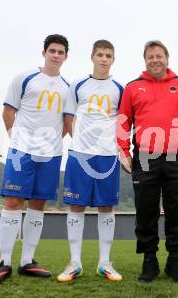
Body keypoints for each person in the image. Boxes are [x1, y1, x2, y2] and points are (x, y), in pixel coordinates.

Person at [0, 34, 70, 284]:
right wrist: (16, 140)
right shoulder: (24, 78)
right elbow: (8, 112)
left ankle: (27, 262)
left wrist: (53, 141)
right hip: (21, 152)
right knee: (13, 201)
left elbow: (66, 122)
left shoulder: (67, 86)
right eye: (52, 50)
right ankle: (4, 263)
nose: (56, 55)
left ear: (66, 56)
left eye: (60, 52)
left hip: (51, 155)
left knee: (38, 204)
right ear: (43, 52)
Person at [117, 40, 178, 282]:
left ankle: (175, 260)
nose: (155, 60)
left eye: (159, 56)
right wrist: (124, 151)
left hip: (176, 157)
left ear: (167, 58)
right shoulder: (133, 87)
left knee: (177, 211)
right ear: (145, 60)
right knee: (146, 211)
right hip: (144, 157)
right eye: (150, 56)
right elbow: (123, 123)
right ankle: (149, 260)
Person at [57, 40, 123, 282]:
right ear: (92, 57)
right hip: (80, 154)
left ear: (113, 59)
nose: (104, 59)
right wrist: (83, 143)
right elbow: (68, 119)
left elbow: (124, 122)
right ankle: (75, 262)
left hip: (108, 156)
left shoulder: (119, 88)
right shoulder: (78, 85)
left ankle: (104, 263)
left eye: (108, 55)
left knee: (107, 207)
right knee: (76, 206)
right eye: (100, 55)